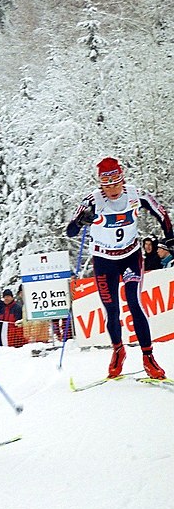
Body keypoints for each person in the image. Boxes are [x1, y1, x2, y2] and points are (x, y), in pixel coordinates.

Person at [66, 156, 174, 380]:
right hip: (104, 261)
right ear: (101, 185)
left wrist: (170, 237)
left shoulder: (136, 194)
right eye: (107, 185)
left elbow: (161, 213)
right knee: (112, 310)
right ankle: (118, 350)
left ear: (122, 180)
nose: (113, 190)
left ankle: (148, 357)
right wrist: (80, 222)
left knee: (135, 303)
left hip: (130, 257)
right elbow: (70, 231)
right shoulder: (92, 201)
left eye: (116, 184)